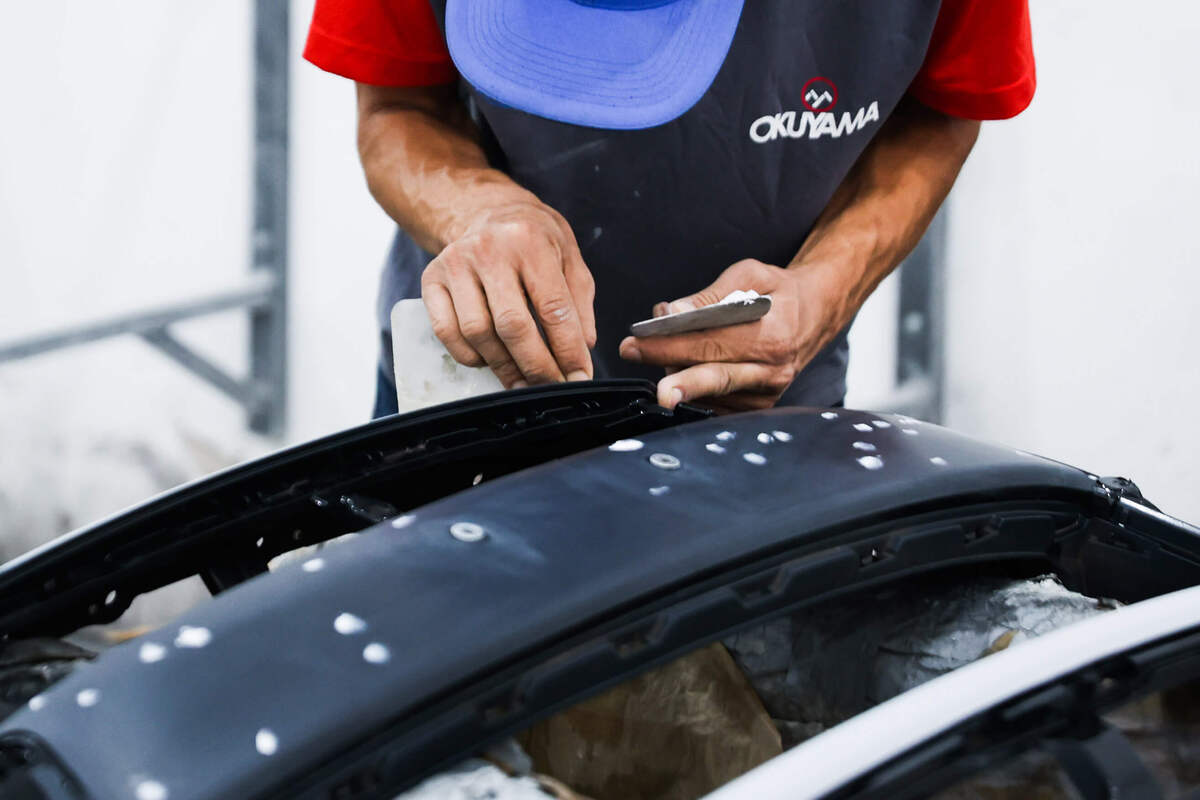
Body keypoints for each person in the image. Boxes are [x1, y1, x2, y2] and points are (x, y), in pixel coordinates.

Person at [304, 0, 1035, 417]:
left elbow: (943, 108)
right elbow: (398, 102)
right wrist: (479, 211)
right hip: (470, 378)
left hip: (757, 399)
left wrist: (823, 290)